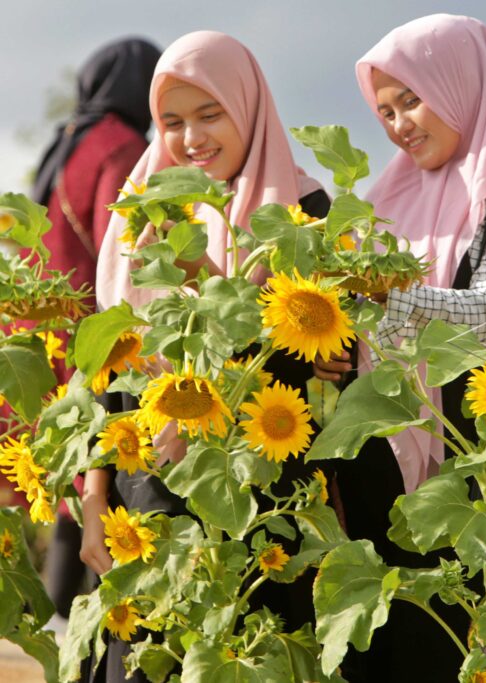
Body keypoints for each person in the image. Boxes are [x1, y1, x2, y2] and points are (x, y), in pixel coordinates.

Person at [313, 14, 486, 682]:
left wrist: (374, 301)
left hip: (473, 478)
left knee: (453, 652)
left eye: (413, 100)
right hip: (379, 480)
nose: (398, 124)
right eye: (385, 110)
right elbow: (354, 333)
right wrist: (331, 342)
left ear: (462, 84)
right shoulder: (385, 200)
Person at [87, 31, 329, 683]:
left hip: (256, 503)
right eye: (172, 122)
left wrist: (205, 285)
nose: (191, 138)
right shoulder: (149, 212)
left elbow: (297, 365)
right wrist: (92, 498)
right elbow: (114, 371)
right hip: (148, 495)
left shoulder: (303, 213)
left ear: (248, 107)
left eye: (209, 114)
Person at [27, 36, 161, 624]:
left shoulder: (67, 142)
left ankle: (58, 618)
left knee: (69, 470)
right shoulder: (123, 146)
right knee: (98, 466)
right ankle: (72, 619)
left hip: (44, 329)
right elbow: (125, 244)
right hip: (96, 330)